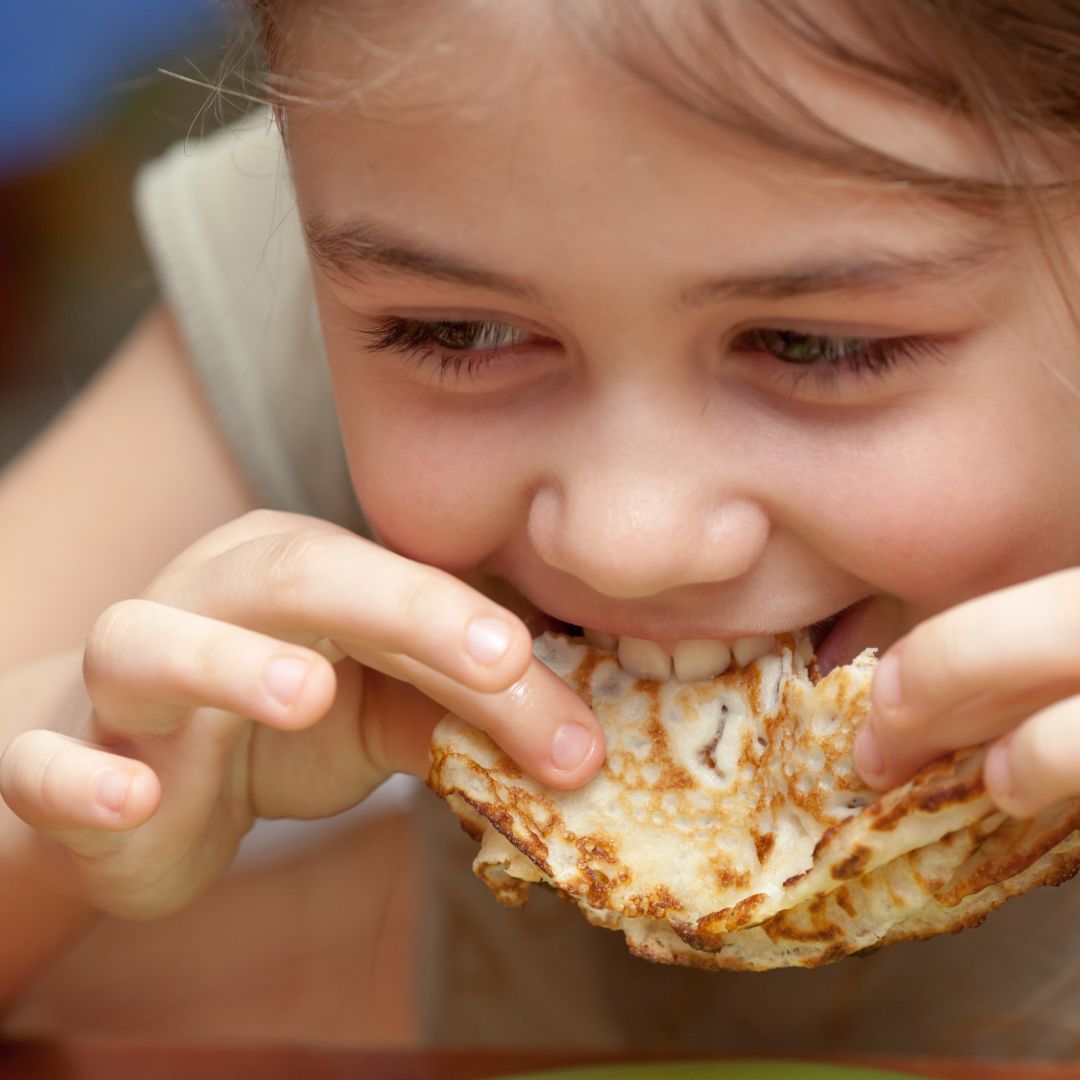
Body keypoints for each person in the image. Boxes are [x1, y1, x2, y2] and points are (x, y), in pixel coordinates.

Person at [3, 0, 1080, 1056]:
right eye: (460, 334)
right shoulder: (383, 202)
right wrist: (66, 816)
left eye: (810, 346)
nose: (625, 539)